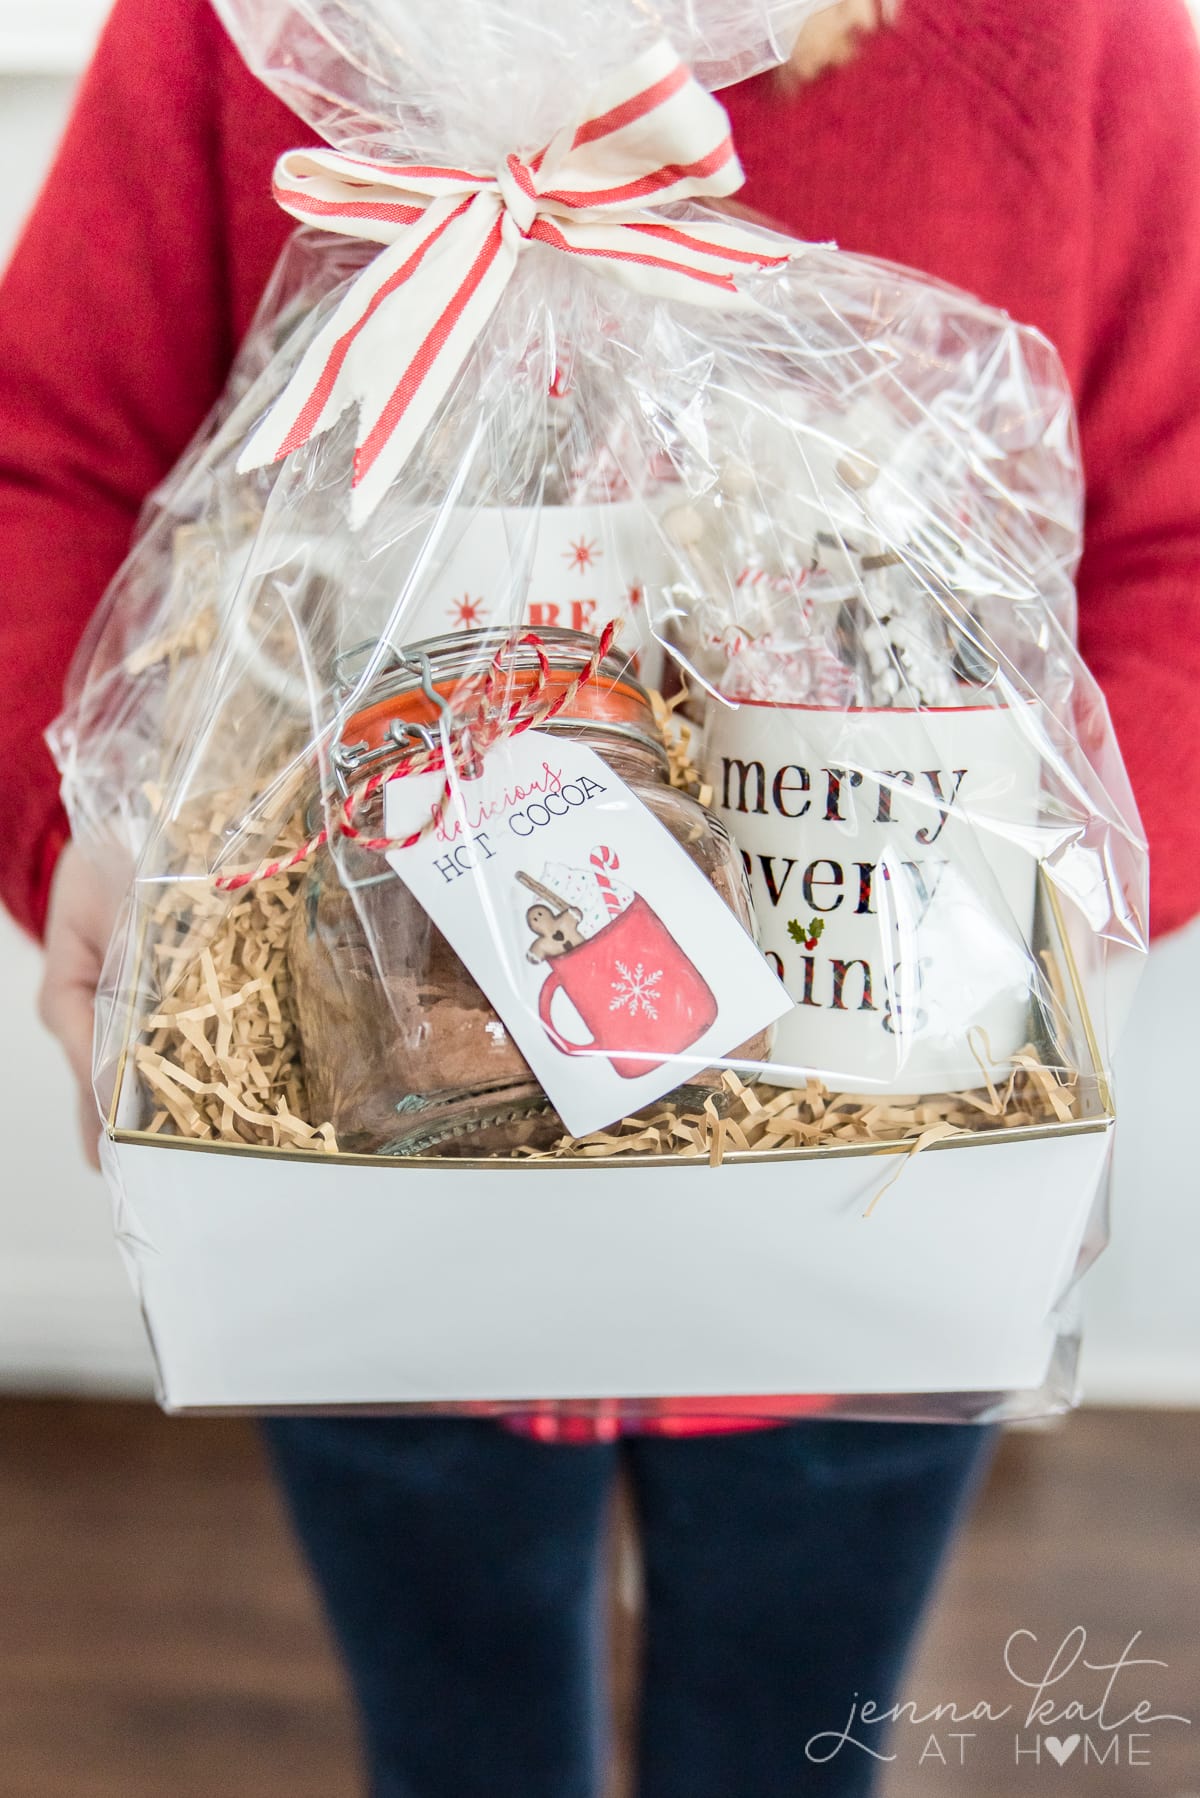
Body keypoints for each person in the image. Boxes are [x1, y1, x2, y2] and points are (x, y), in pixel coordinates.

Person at [2, 1, 1199, 1794]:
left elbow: (1174, 558)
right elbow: (48, 471)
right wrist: (76, 824)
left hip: (863, 1233)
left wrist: (1046, 892)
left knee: (793, 1754)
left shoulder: (1075, 48)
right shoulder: (247, 28)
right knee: (455, 1747)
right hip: (372, 1233)